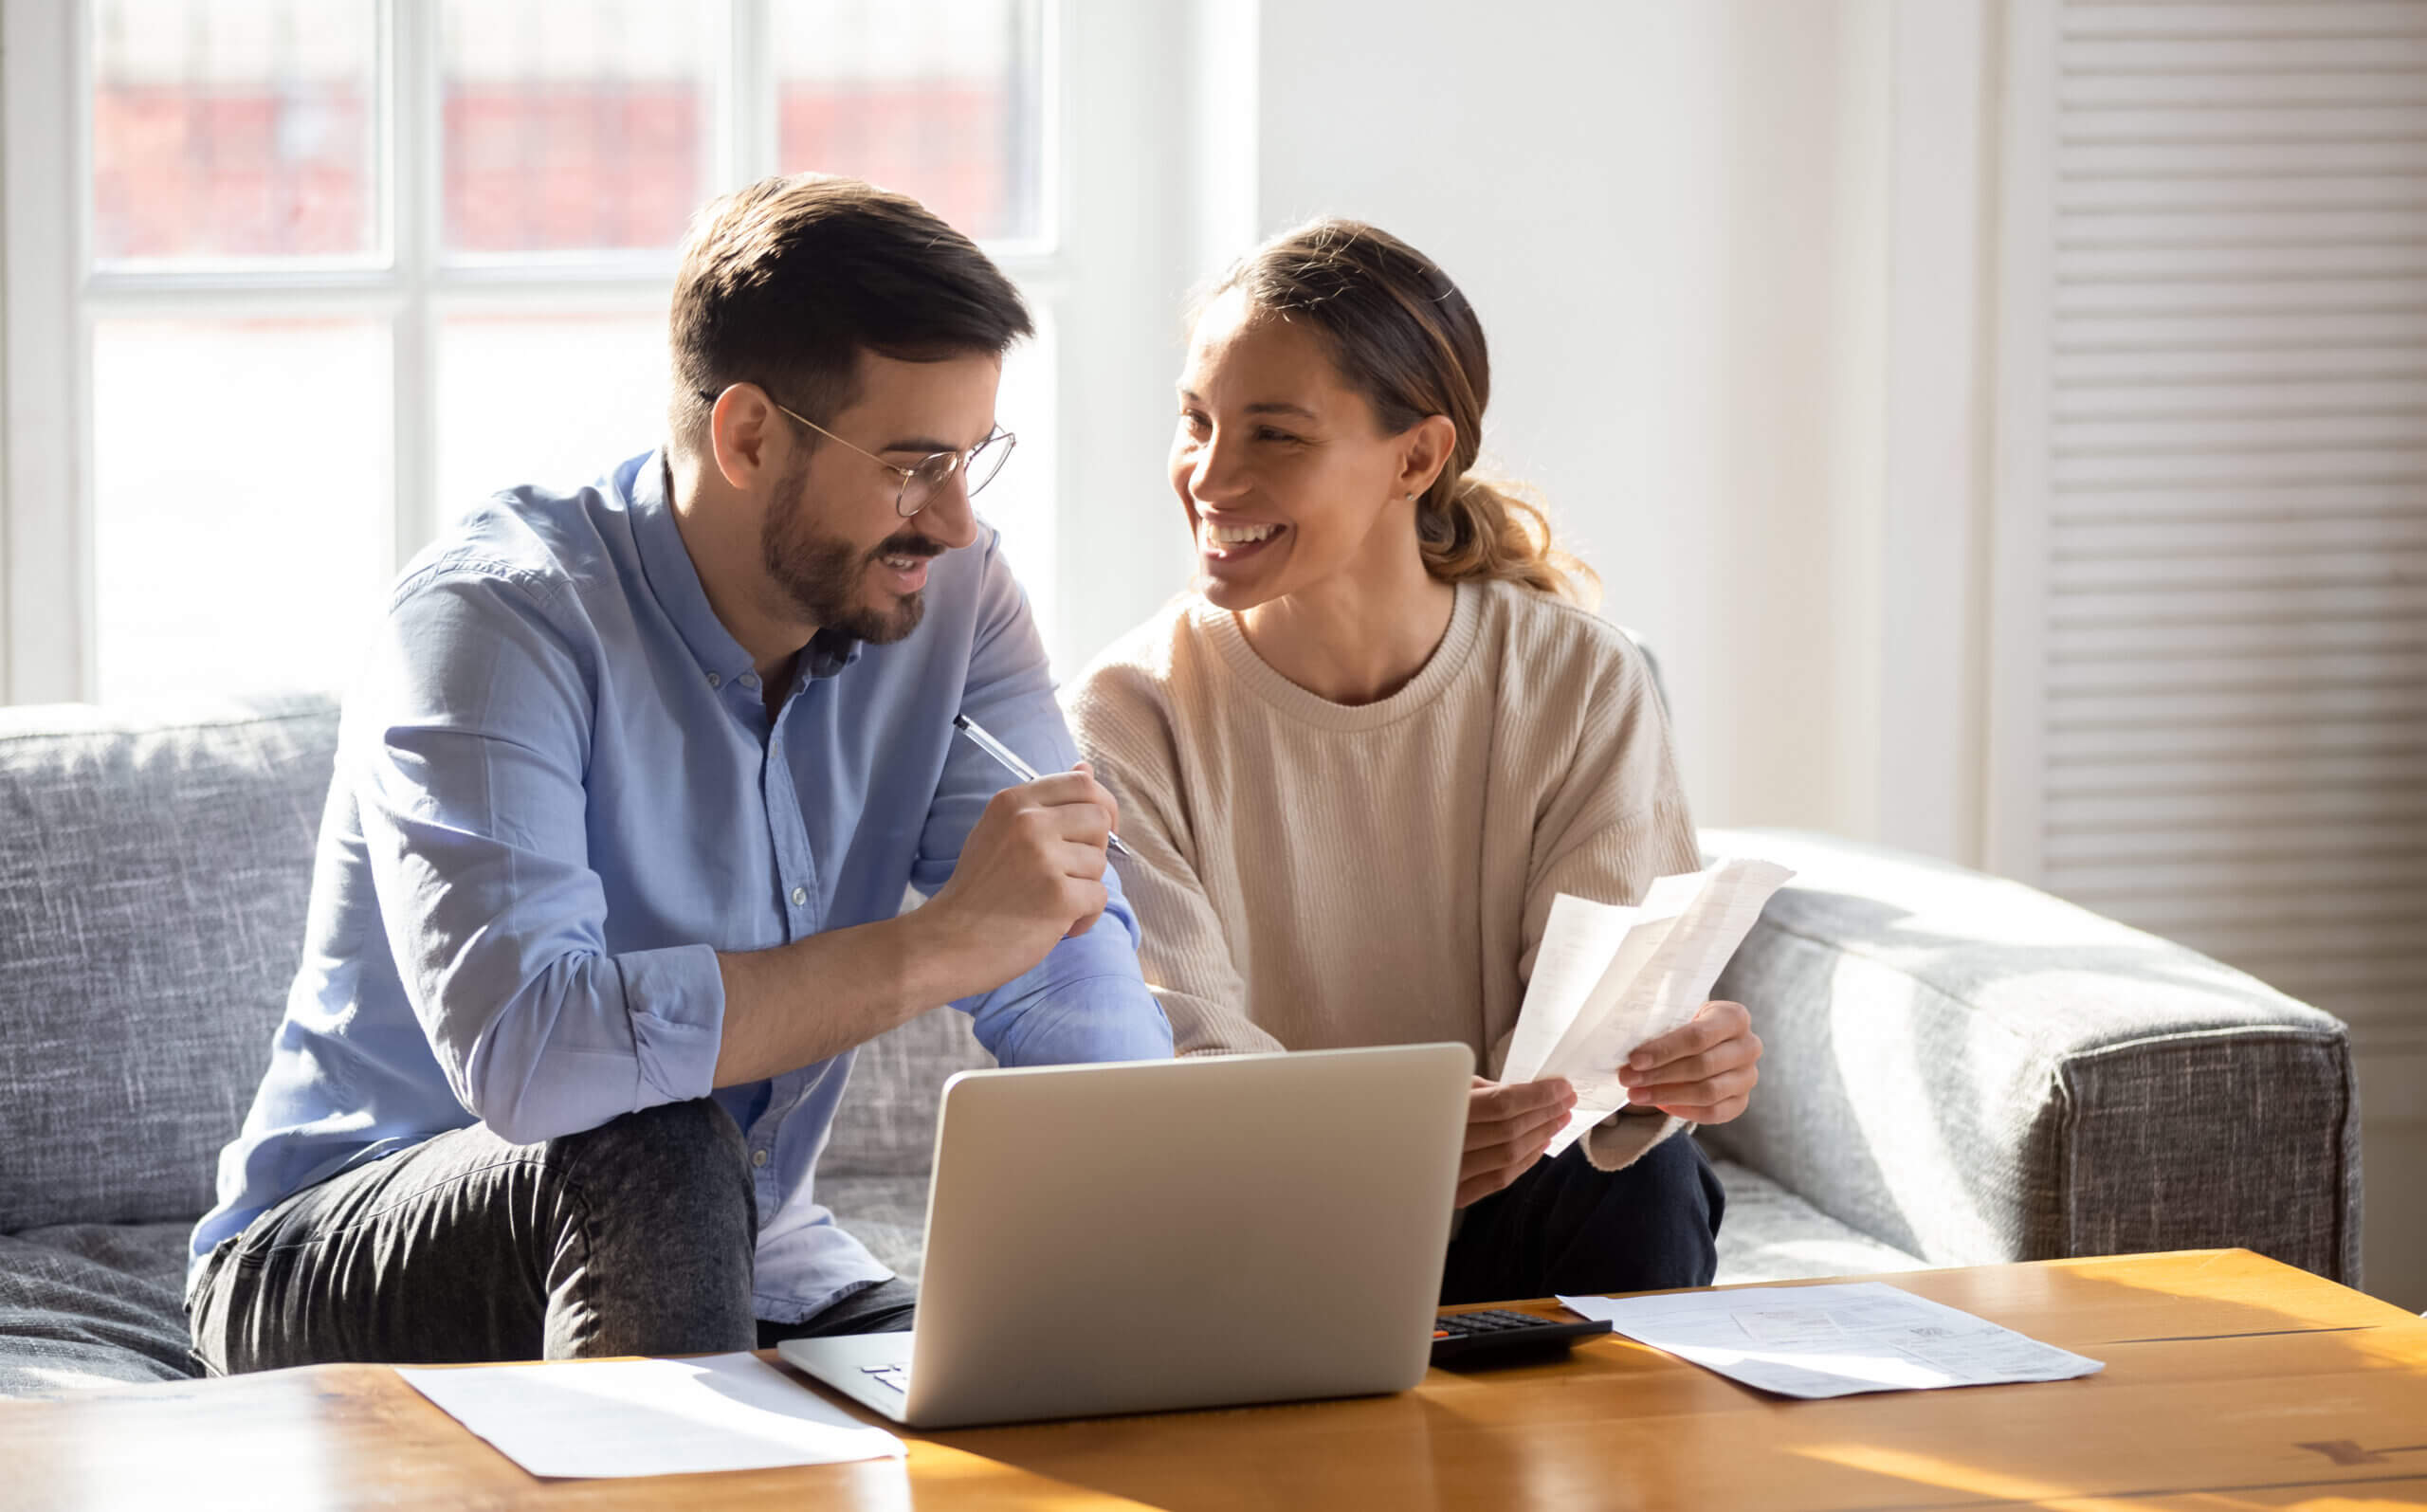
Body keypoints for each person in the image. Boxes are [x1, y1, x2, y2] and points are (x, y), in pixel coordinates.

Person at [187, 174, 1171, 1374]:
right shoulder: (494, 625)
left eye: (973, 458)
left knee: (1041, 1386)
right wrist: (935, 946)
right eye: (915, 464)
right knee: (652, 1142)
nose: (955, 520)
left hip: (755, 1253)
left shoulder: (952, 599)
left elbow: (1061, 945)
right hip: (341, 1244)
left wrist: (1159, 1220)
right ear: (749, 434)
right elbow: (533, 1054)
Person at [1065, 219, 1761, 1302]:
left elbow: (1594, 1047)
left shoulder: (1578, 678)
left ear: (1418, 457)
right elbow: (1183, 1062)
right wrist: (1397, 1147)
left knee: (1643, 1182)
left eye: (1273, 436)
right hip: (1263, 1225)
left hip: (1522, 1201)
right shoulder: (1129, 711)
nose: (1208, 475)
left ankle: (1627, 1470)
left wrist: (1670, 1070)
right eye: (1194, 422)